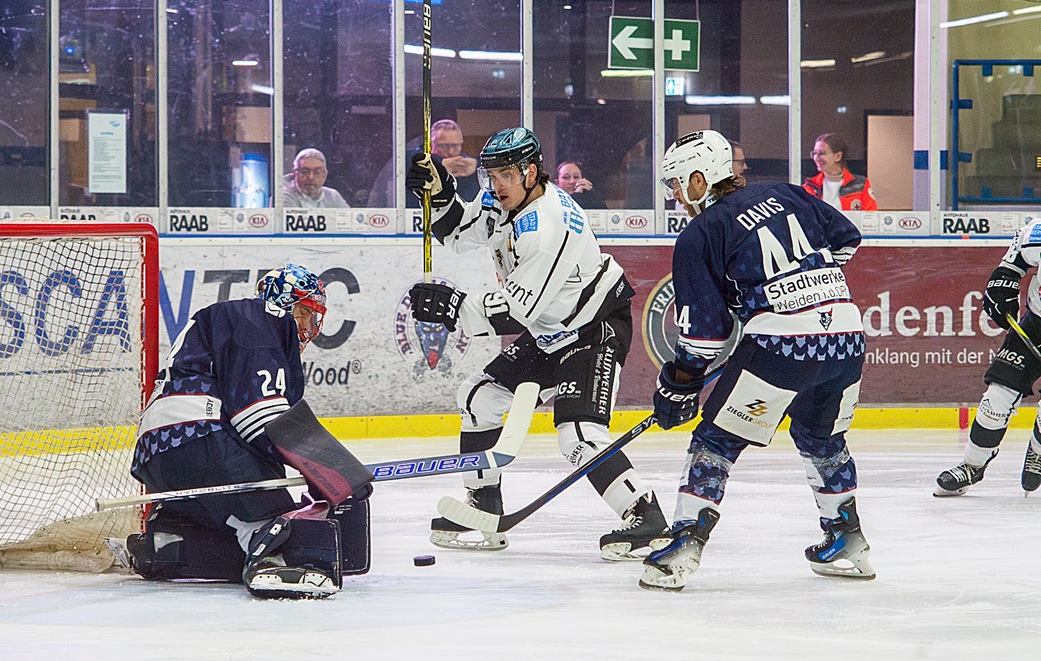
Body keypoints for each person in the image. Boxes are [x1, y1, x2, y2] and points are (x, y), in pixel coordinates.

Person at [405, 126, 670, 559]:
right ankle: (483, 505)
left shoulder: (548, 227)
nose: (496, 185)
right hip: (552, 328)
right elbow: (459, 234)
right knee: (479, 398)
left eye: (506, 175)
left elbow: (516, 312)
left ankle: (645, 516)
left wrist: (453, 306)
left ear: (530, 173)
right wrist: (439, 194)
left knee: (578, 433)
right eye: (491, 176)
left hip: (593, 327)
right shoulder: (505, 198)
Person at [639, 129, 874, 591]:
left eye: (677, 184)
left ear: (700, 180)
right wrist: (806, 285)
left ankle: (683, 546)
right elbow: (848, 239)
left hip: (782, 345)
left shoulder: (701, 232)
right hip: (846, 335)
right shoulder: (789, 193)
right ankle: (847, 539)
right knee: (821, 437)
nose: (674, 197)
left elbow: (704, 336)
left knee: (716, 441)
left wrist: (679, 383)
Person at [111, 263, 365, 599]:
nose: (308, 327)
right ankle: (274, 564)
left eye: (314, 318)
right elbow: (259, 417)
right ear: (282, 301)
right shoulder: (260, 321)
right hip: (199, 436)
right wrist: (331, 468)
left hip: (159, 454)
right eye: (304, 313)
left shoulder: (238, 322)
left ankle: (165, 546)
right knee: (275, 521)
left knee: (230, 529)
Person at [935, 220, 1041, 496]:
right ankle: (972, 465)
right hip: (1036, 325)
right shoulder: (1038, 231)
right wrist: (1001, 286)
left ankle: (1039, 449)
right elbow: (1013, 263)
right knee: (996, 399)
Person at [370, 119, 480, 208]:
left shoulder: (467, 166)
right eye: (444, 146)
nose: (451, 152)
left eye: (455, 146)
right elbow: (406, 161)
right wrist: (438, 165)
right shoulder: (409, 159)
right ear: (430, 144)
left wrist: (477, 164)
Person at [802, 133, 877, 211]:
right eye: (814, 153)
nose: (816, 158)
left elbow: (871, 214)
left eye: (821, 153)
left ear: (838, 156)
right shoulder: (810, 186)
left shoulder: (861, 184)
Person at [282, 148, 349, 209]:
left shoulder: (333, 196)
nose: (311, 177)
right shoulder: (283, 196)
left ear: (324, 175)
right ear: (295, 173)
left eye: (317, 172)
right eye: (305, 171)